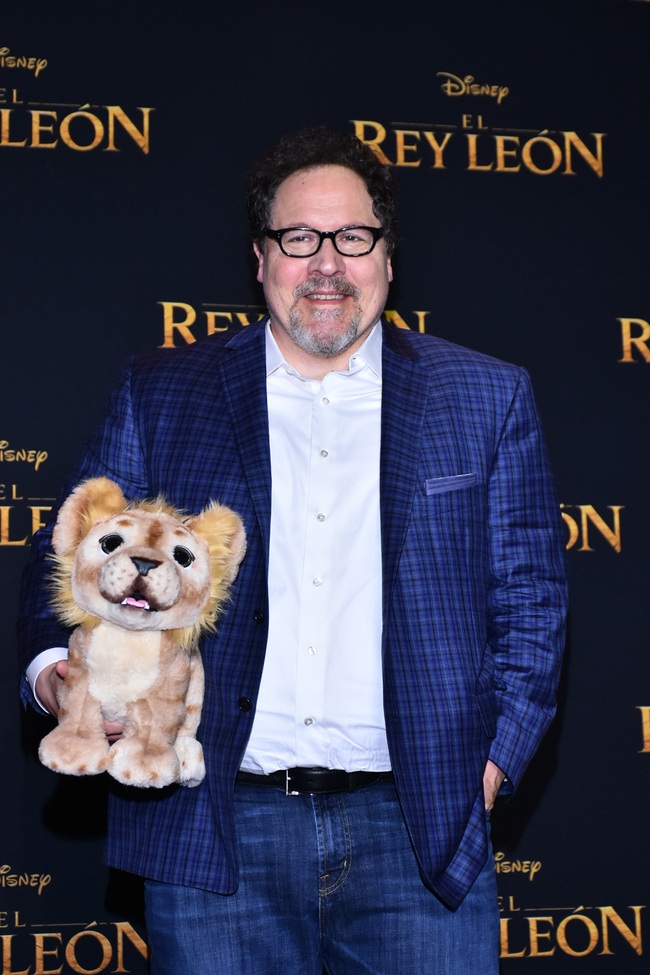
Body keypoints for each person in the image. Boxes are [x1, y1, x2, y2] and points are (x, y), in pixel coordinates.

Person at [19, 127, 568, 974]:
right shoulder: (165, 390)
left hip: (416, 832)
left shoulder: (486, 395)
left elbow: (531, 602)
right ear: (261, 256)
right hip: (214, 829)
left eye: (352, 238)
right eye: (298, 239)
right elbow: (69, 554)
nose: (326, 264)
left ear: (386, 255)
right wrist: (59, 672)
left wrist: (491, 768)